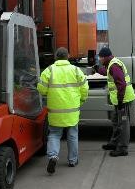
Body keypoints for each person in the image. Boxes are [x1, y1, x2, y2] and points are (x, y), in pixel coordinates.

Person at [37, 47, 89, 175]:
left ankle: (53, 157)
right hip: (72, 110)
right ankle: (72, 160)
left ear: (55, 57)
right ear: (68, 56)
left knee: (54, 134)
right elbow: (84, 88)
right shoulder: (76, 70)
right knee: (72, 135)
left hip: (55, 110)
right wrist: (82, 100)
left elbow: (42, 90)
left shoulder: (49, 70)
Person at [96, 47, 135, 157]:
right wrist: (98, 69)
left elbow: (121, 84)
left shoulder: (114, 66)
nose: (100, 60)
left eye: (100, 58)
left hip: (123, 100)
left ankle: (123, 148)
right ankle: (114, 143)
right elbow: (107, 72)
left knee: (123, 124)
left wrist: (120, 102)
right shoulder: (111, 64)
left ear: (105, 57)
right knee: (116, 121)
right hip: (119, 100)